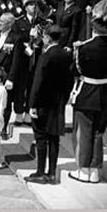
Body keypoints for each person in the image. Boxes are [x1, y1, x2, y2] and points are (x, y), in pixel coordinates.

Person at [69, 0, 107, 183]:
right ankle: (95, 170)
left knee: (84, 132)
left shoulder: (84, 47)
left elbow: (75, 70)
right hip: (105, 92)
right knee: (98, 133)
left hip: (87, 91)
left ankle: (84, 169)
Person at [24, 25, 73, 184]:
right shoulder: (66, 55)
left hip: (43, 102)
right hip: (58, 101)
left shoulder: (46, 56)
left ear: (48, 38)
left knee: (40, 137)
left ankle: (40, 171)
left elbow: (38, 82)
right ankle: (51, 173)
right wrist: (63, 99)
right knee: (54, 138)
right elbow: (69, 81)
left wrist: (33, 104)